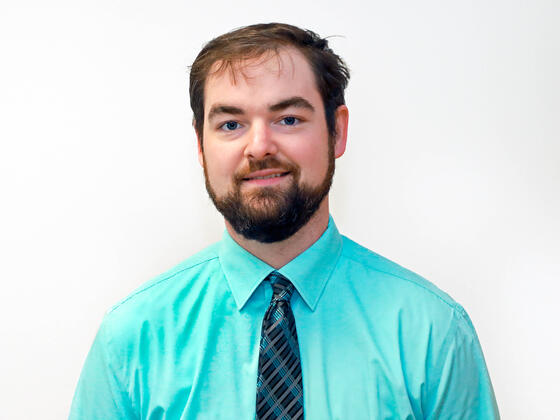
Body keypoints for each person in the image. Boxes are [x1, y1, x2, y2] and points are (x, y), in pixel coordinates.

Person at [69, 23, 499, 419]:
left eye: (288, 119)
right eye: (231, 123)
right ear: (200, 144)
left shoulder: (433, 333)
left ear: (337, 131)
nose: (259, 146)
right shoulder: (131, 342)